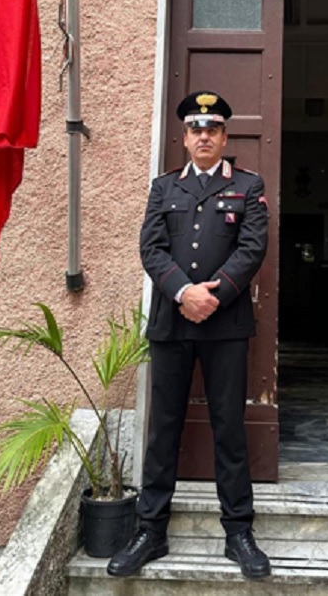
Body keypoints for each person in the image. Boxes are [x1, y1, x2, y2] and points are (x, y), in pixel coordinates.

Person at [107, 91, 271, 580]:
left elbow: (252, 247)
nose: (204, 136)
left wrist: (212, 295)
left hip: (226, 325)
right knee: (163, 430)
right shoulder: (163, 188)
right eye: (196, 130)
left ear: (224, 137)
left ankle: (238, 532)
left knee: (229, 429)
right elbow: (151, 247)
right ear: (184, 138)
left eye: (212, 129)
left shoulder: (248, 185)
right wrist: (184, 293)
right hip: (171, 322)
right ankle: (150, 531)